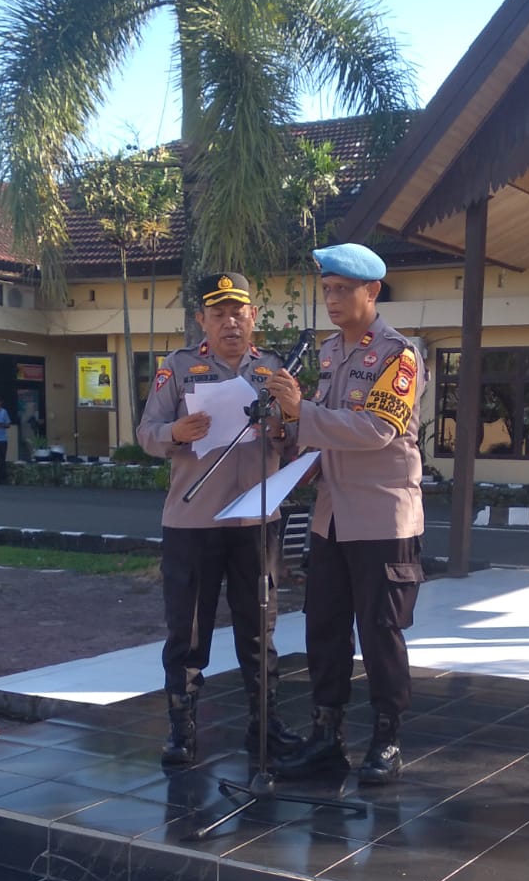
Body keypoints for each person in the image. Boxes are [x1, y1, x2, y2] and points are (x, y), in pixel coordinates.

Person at [266, 243, 423, 784]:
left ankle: (386, 740)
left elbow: (377, 430)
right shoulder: (331, 352)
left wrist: (302, 412)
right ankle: (326, 737)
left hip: (382, 516)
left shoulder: (399, 356)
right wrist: (287, 430)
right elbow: (324, 429)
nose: (331, 299)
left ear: (372, 291)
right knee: (325, 627)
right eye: (327, 289)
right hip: (331, 515)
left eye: (342, 289)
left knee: (380, 631)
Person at [137, 272, 302, 767]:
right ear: (202, 320)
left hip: (256, 520)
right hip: (194, 522)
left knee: (259, 631)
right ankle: (182, 730)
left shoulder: (274, 370)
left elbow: (297, 439)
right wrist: (176, 431)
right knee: (188, 632)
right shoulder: (178, 367)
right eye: (219, 314)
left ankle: (264, 726)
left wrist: (282, 426)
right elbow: (146, 433)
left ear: (253, 316)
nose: (230, 323)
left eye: (238, 313)